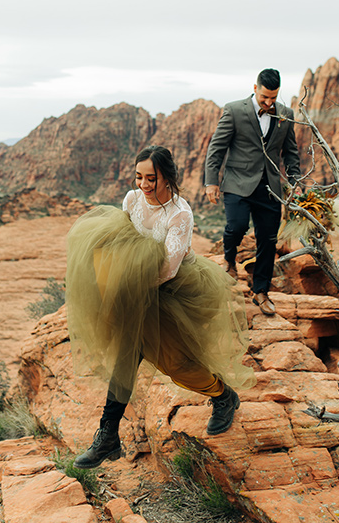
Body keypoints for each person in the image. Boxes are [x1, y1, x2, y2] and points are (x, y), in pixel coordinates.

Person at [66, 145, 255, 469]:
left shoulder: (179, 214)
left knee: (177, 365)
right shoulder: (131, 200)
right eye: (139, 177)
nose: (143, 184)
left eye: (150, 178)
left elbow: (168, 268)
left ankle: (223, 395)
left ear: (167, 176)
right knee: (126, 356)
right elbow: (121, 238)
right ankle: (107, 437)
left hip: (171, 292)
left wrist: (125, 284)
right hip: (135, 292)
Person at [205, 69, 301, 316]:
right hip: (237, 182)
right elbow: (217, 147)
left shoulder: (285, 115)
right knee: (236, 226)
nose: (269, 103)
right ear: (255, 88)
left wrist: (294, 181)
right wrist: (211, 182)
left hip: (269, 187)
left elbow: (290, 151)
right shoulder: (234, 110)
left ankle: (261, 291)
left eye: (274, 98)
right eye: (265, 98)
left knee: (268, 240)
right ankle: (229, 260)